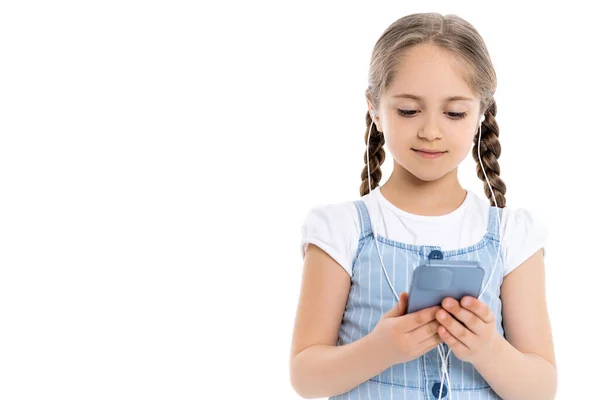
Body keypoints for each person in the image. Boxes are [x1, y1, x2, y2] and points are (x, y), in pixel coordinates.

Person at [289, 12, 557, 400]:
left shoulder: (512, 235)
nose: (431, 131)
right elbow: (306, 377)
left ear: (481, 113)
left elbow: (541, 388)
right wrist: (381, 348)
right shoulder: (339, 228)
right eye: (409, 110)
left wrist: (488, 350)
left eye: (454, 113)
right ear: (374, 108)